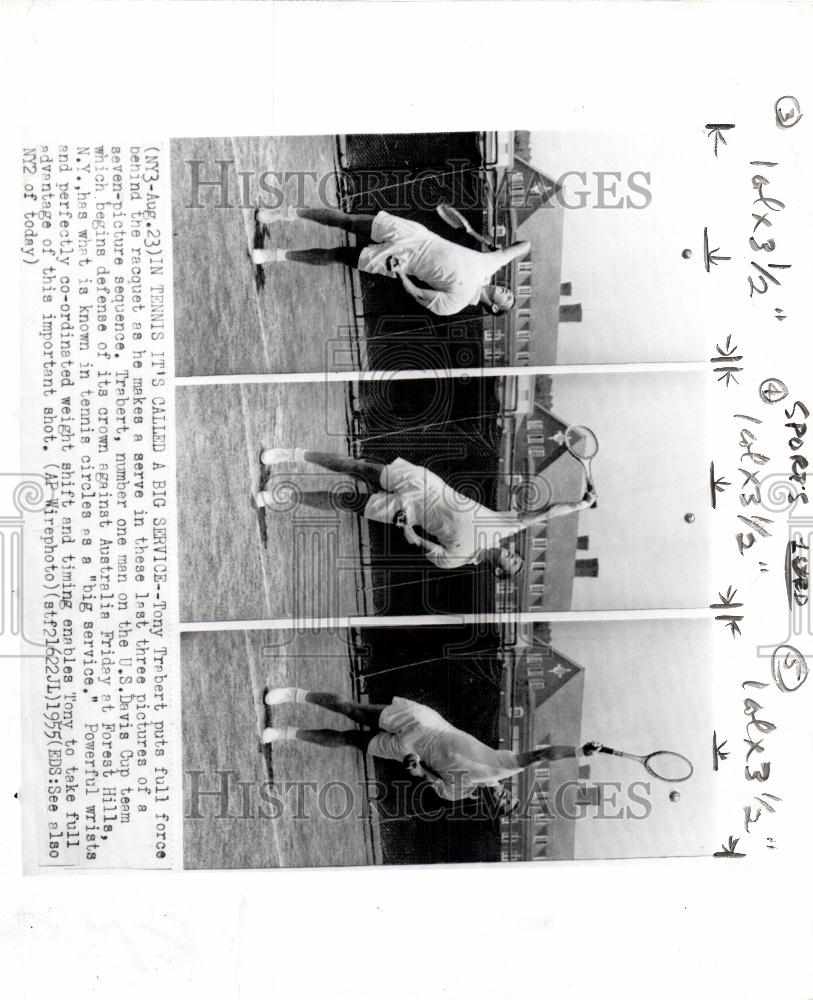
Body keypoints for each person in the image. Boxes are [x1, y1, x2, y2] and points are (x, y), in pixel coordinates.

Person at [255, 448, 597, 576]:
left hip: (409, 514)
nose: (514, 557)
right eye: (518, 557)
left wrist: (410, 533)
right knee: (356, 467)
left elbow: (423, 546)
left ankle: (278, 496)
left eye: (514, 564)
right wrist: (580, 504)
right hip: (425, 484)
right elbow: (548, 512)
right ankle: (291, 455)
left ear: (498, 571)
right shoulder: (505, 529)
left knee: (345, 502)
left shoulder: (458, 560)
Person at [260, 686, 603, 812]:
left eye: (503, 805)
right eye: (509, 798)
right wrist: (579, 752)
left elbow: (427, 778)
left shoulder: (458, 794)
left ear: (490, 807)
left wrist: (415, 769)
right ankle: (292, 695)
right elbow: (544, 755)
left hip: (408, 750)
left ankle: (285, 732)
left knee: (349, 739)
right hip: (422, 723)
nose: (504, 798)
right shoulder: (504, 766)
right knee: (352, 710)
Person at [251, 206, 531, 317]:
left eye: (508, 299)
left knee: (335, 255)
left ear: (494, 307)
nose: (508, 292)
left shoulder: (455, 305)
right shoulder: (490, 264)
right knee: (346, 220)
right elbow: (525, 247)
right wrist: (499, 247)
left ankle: (275, 256)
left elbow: (419, 295)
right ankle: (286, 214)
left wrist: (401, 274)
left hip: (399, 263)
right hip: (413, 234)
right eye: (510, 292)